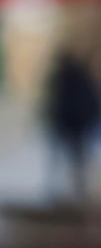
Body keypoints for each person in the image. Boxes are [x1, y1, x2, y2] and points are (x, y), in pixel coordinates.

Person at [41, 46, 101, 203]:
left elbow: (55, 104)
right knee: (78, 159)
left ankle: (60, 194)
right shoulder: (81, 76)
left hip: (66, 125)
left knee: (61, 159)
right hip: (78, 125)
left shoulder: (61, 78)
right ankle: (79, 193)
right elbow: (91, 101)